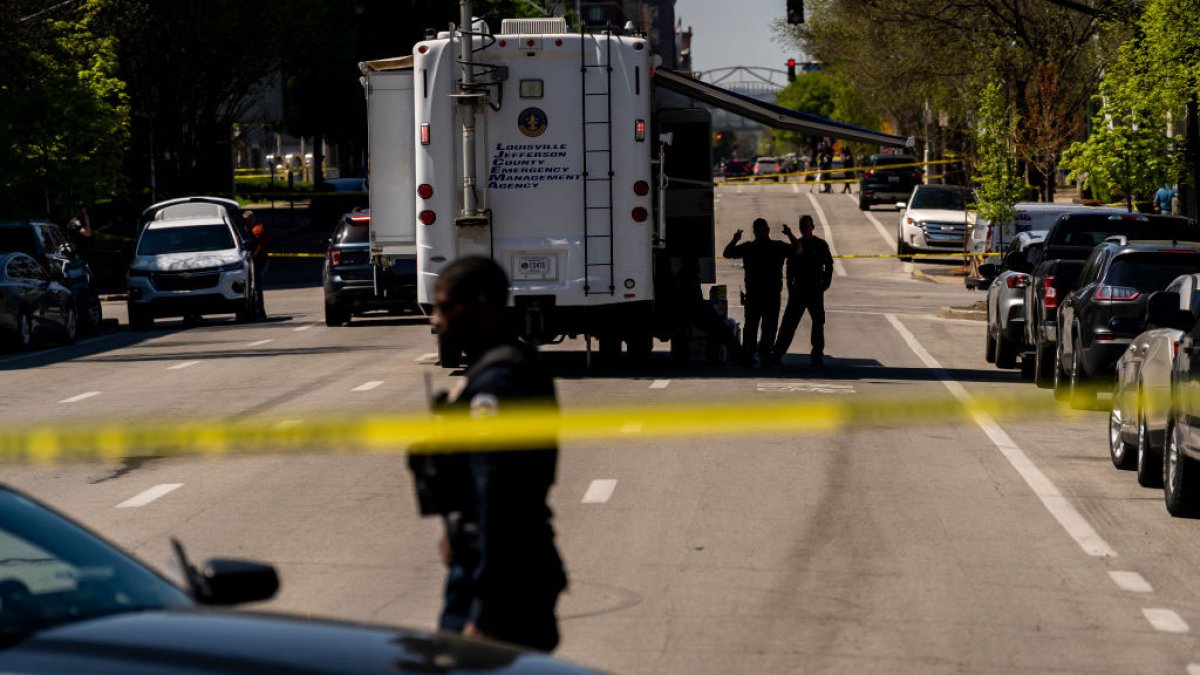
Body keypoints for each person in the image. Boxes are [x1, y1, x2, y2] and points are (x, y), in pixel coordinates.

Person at [409, 256, 567, 652]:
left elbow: (498, 497)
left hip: (501, 576)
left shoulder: (498, 384)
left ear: (481, 306)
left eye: (445, 307)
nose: (435, 320)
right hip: (502, 562)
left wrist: (483, 612)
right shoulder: (504, 366)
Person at [723, 218, 792, 365]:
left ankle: (749, 354)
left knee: (752, 327)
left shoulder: (749, 247)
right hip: (770, 295)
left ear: (754, 232)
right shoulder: (776, 246)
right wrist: (790, 235)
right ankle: (765, 355)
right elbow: (797, 250)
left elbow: (727, 253)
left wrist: (735, 239)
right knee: (768, 327)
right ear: (768, 230)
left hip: (754, 295)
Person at [772, 214, 833, 367]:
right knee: (788, 324)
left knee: (818, 323)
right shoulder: (797, 245)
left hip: (815, 290)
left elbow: (829, 266)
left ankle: (817, 353)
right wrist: (791, 288)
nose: (804, 228)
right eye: (802, 226)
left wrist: (825, 284)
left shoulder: (820, 245)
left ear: (812, 227)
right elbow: (789, 268)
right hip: (799, 290)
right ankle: (778, 352)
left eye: (807, 225)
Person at [243, 211, 269, 316]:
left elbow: (258, 245)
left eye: (247, 220)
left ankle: (261, 310)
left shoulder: (257, 229)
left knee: (257, 286)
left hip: (260, 261)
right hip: (256, 260)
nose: (246, 222)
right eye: (245, 220)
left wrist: (252, 256)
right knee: (252, 286)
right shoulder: (249, 228)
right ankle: (255, 309)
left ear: (252, 218)